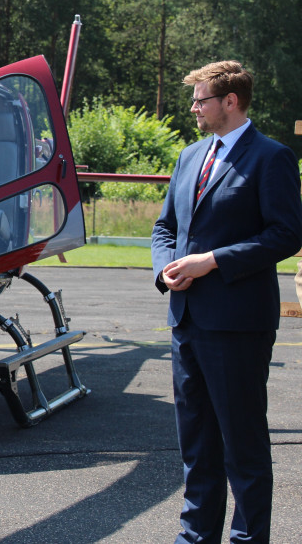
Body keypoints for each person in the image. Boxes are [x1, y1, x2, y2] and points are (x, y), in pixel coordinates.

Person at [151, 60, 302, 544]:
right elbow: (165, 228)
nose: (194, 107)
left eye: (201, 100)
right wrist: (164, 268)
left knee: (243, 448)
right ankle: (195, 538)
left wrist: (211, 260)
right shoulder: (190, 156)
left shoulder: (271, 157)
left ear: (230, 102)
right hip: (187, 320)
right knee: (197, 445)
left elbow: (286, 234)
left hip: (238, 324)